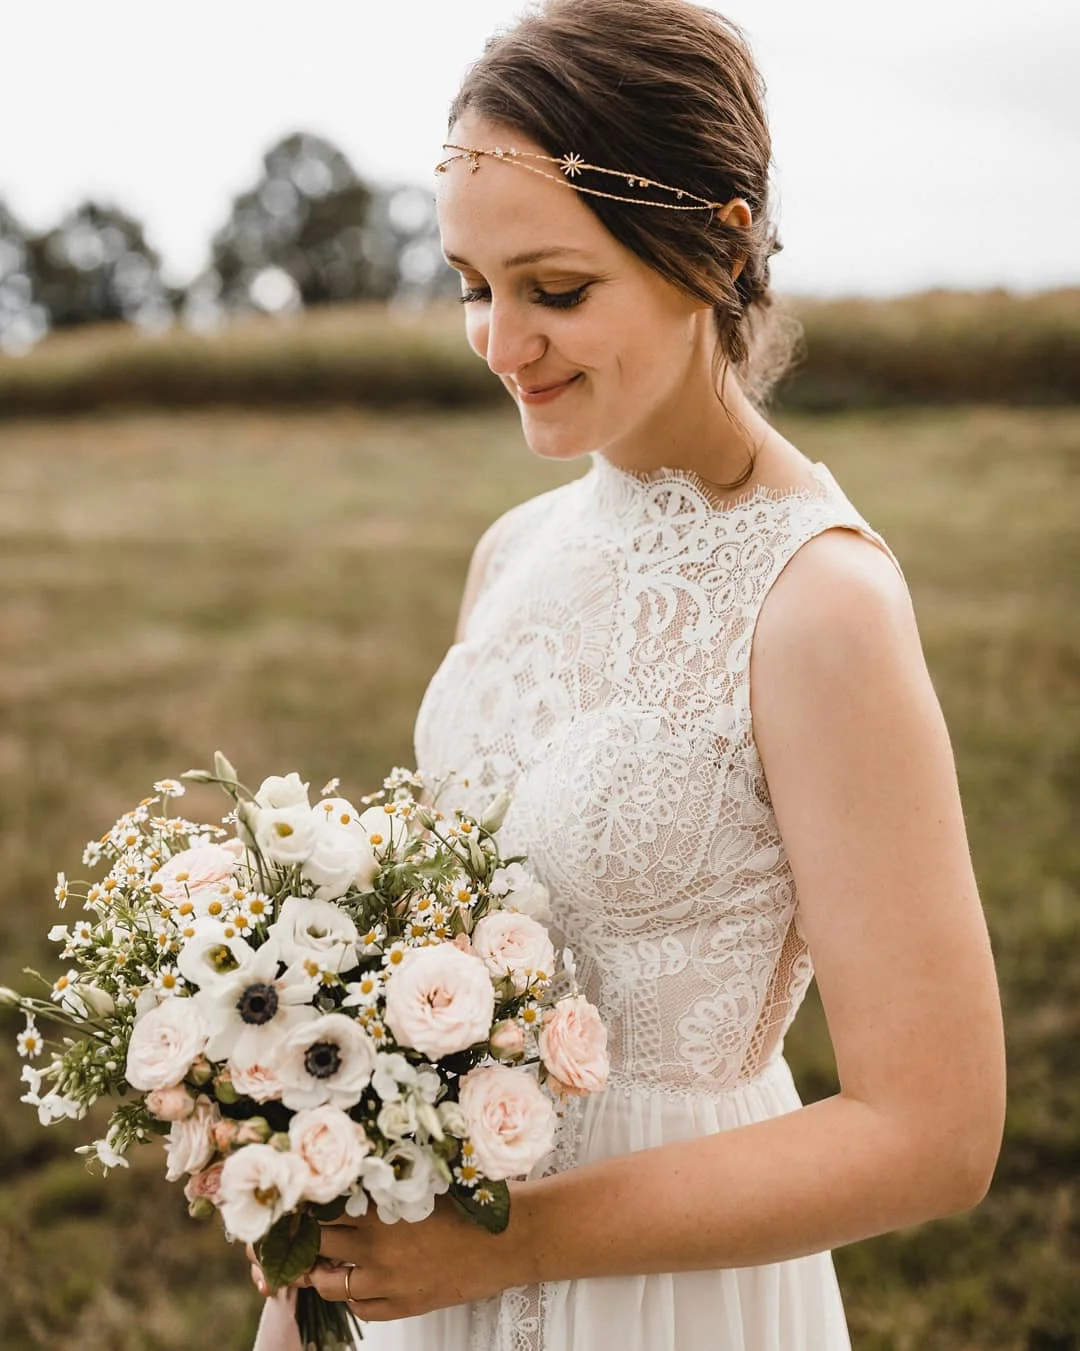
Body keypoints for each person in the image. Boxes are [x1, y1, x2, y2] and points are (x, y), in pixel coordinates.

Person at [252, 1, 1005, 1347]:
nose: (498, 341)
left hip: (670, 1294)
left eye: (556, 289)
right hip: (436, 1272)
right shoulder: (510, 552)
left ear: (714, 249)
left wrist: (505, 1245)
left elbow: (935, 1132)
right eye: (475, 285)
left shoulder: (819, 602)